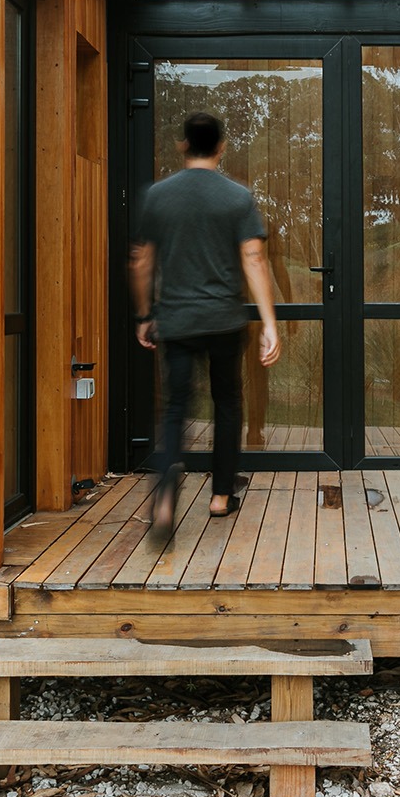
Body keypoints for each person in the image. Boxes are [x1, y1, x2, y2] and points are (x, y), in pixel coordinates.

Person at [129, 111, 282, 533]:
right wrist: (270, 322)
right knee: (227, 403)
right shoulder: (236, 197)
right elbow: (254, 258)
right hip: (224, 321)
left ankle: (163, 498)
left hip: (177, 321)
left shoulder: (158, 196)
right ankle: (219, 497)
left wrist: (145, 314)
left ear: (183, 146)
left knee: (176, 408)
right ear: (222, 147)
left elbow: (142, 260)